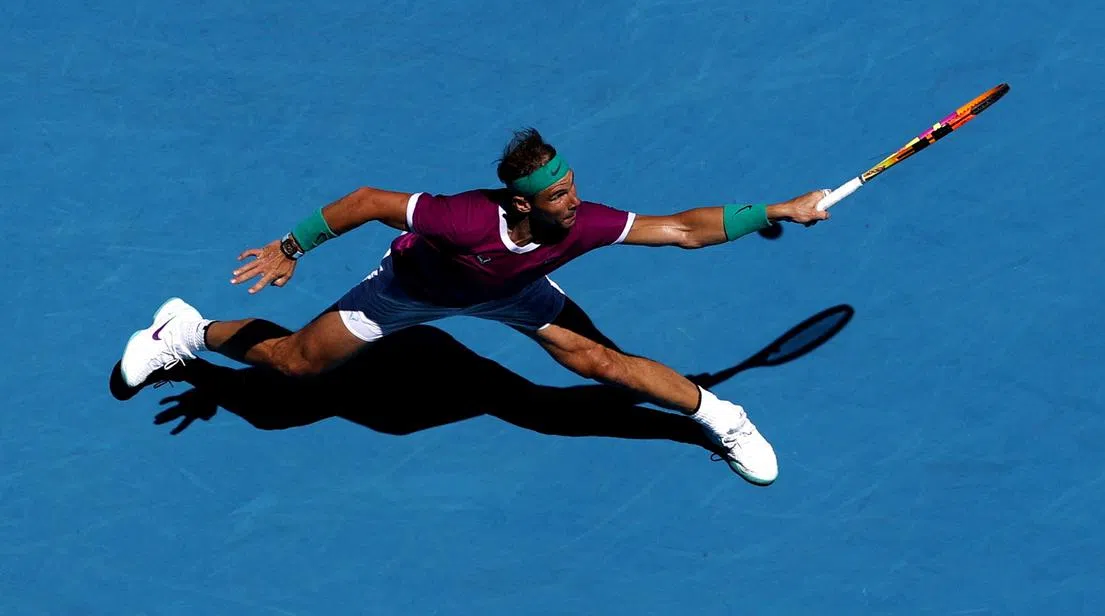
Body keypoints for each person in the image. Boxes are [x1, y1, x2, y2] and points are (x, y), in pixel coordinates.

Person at [115, 129, 829, 485]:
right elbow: (366, 203)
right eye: (558, 196)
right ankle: (188, 330)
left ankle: (722, 418)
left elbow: (679, 228)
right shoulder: (458, 219)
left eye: (572, 187)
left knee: (596, 361)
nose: (574, 203)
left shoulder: (582, 222)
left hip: (516, 295)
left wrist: (778, 209)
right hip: (409, 292)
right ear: (521, 202)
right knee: (295, 370)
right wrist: (291, 246)